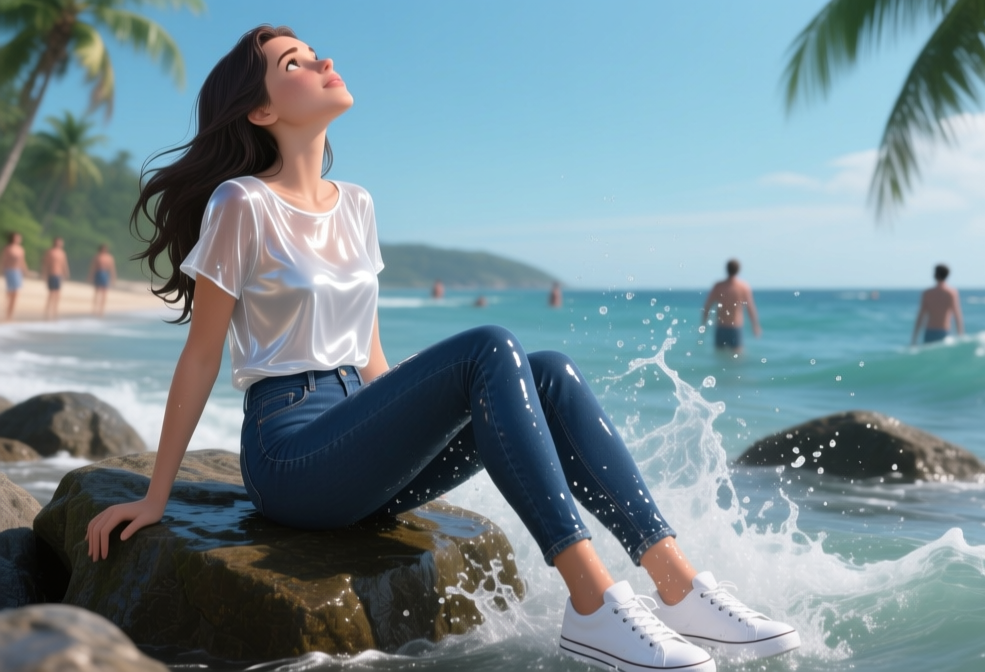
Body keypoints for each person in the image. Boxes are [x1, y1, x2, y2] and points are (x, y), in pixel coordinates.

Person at [84, 26, 798, 671]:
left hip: (354, 430)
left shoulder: (356, 204)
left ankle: (677, 582)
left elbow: (372, 358)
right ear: (261, 111)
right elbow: (203, 354)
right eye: (294, 62)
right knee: (491, 345)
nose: (324, 59)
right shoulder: (241, 203)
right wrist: (156, 496)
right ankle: (591, 603)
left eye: (313, 50)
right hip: (290, 448)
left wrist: (408, 427)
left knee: (547, 372)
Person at [701, 259, 761, 352]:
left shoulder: (718, 286)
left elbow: (707, 305)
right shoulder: (743, 287)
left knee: (719, 358)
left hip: (721, 326)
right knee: (737, 358)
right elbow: (750, 307)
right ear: (738, 270)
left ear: (726, 269)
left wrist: (704, 323)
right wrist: (755, 325)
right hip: (735, 327)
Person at [912, 264, 964, 345]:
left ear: (935, 275)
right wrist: (960, 336)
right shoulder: (951, 293)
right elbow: (957, 316)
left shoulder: (927, 293)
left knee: (929, 357)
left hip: (930, 331)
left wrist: (914, 338)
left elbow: (921, 316)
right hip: (944, 331)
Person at [41, 237, 71, 320]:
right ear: (54, 242)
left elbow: (64, 264)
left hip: (59, 275)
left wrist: (66, 273)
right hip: (51, 274)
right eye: (58, 242)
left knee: (57, 294)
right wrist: (44, 274)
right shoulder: (50, 252)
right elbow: (45, 263)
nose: (60, 244)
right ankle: (47, 311)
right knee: (51, 294)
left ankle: (55, 311)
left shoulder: (62, 253)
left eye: (61, 242)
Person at [2, 232, 28, 321]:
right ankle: (7, 312)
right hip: (9, 271)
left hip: (18, 272)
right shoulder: (8, 248)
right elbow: (3, 260)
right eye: (17, 237)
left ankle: (10, 314)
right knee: (10, 293)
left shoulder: (21, 249)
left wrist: (25, 271)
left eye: (19, 237)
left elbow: (22, 261)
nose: (19, 239)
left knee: (16, 294)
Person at [89, 244, 117, 316]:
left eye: (105, 249)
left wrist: (113, 278)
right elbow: (93, 267)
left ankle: (101, 311)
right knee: (97, 292)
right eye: (103, 249)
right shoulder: (97, 256)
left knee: (104, 293)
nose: (104, 250)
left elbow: (112, 269)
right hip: (98, 273)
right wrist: (90, 276)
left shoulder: (109, 258)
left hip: (105, 274)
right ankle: (94, 309)